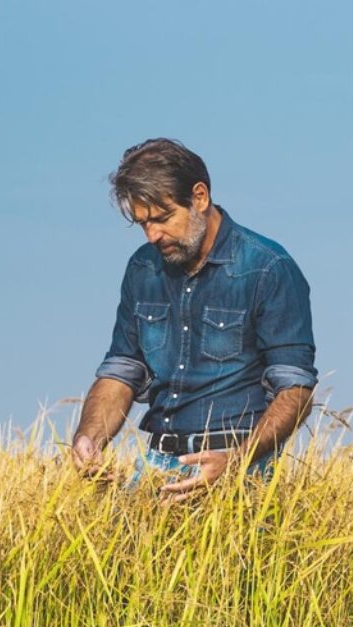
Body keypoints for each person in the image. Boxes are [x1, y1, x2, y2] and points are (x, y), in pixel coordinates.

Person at [71, 138, 317, 500]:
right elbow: (122, 370)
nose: (153, 235)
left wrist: (235, 461)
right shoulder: (142, 269)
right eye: (143, 223)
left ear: (199, 197)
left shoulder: (268, 268)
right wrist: (88, 438)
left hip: (240, 468)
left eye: (162, 218)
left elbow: (296, 389)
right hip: (156, 464)